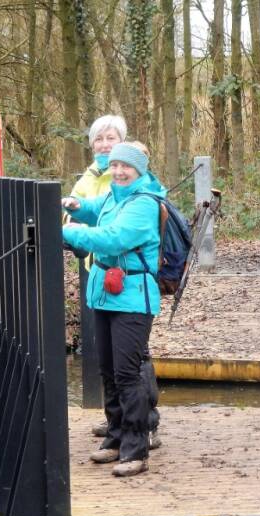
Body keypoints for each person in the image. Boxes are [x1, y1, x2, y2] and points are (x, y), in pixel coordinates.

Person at [62, 142, 164, 477]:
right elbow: (96, 210)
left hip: (133, 299)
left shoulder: (145, 203)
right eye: (115, 165)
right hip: (105, 295)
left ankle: (136, 449)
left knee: (127, 374)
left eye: (126, 167)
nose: (119, 172)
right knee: (108, 371)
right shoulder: (114, 195)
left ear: (140, 170)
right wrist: (77, 208)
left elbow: (113, 238)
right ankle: (116, 437)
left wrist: (67, 233)